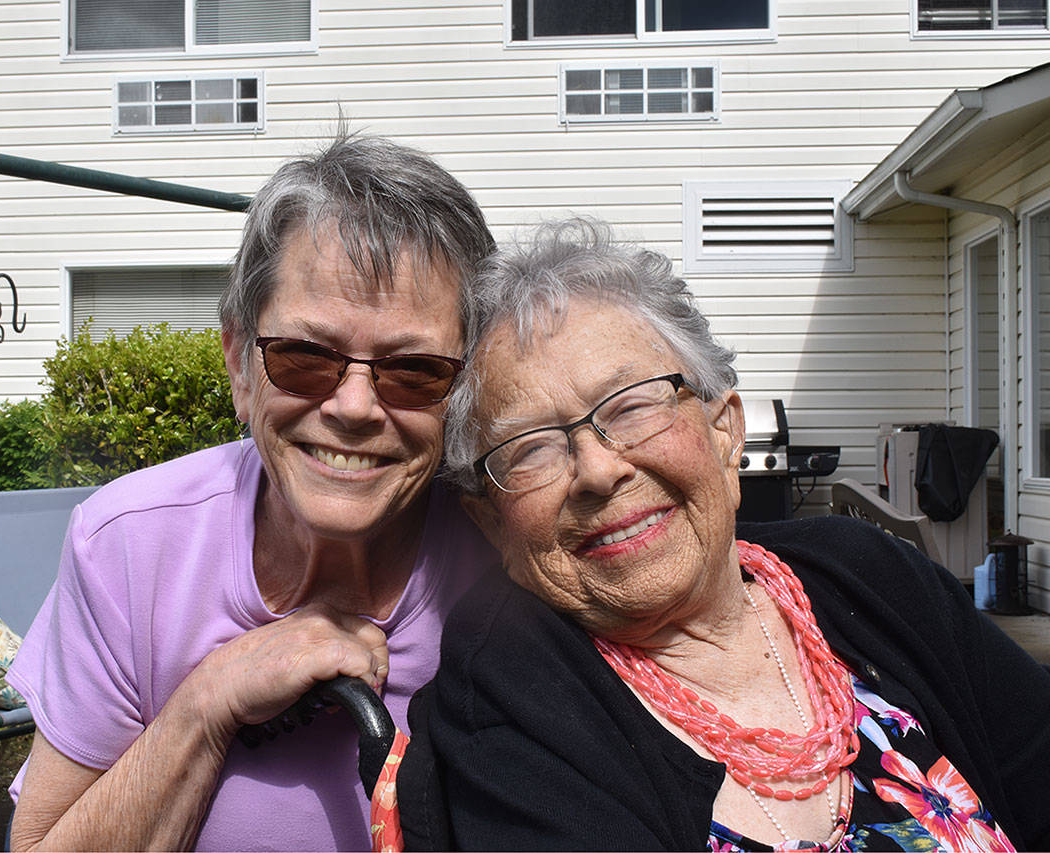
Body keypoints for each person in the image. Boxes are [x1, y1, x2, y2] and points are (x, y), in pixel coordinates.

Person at [397, 218, 1050, 850]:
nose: (599, 469)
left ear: (724, 432)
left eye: (632, 404)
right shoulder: (514, 695)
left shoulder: (875, 572)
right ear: (490, 520)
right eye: (529, 447)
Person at [6, 134, 496, 851]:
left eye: (414, 369)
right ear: (240, 363)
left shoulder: (510, 550)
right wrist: (209, 701)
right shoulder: (127, 547)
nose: (354, 406)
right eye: (304, 356)